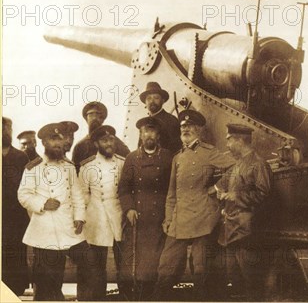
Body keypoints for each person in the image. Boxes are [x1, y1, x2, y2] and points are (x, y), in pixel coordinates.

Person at [152, 110, 235, 300]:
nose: (186, 129)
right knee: (167, 266)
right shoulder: (178, 158)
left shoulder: (209, 152)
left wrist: (216, 187)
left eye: (190, 126)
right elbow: (172, 193)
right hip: (179, 218)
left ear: (199, 130)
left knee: (201, 268)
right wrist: (168, 218)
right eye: (183, 127)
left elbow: (234, 168)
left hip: (204, 217)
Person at [18, 123, 102, 301]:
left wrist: (80, 217)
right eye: (53, 139)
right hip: (45, 231)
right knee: (48, 280)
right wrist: (42, 203)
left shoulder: (69, 167)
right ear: (44, 143)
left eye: (60, 139)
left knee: (90, 265)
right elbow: (23, 195)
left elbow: (78, 195)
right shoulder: (33, 168)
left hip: (69, 228)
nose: (58, 143)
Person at [214, 124, 274, 300]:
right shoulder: (239, 164)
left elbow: (265, 194)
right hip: (232, 231)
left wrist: (235, 196)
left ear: (240, 140)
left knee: (252, 282)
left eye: (229, 140)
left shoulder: (258, 164)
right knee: (236, 279)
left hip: (247, 233)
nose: (227, 145)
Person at [118, 117, 174, 301]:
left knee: (158, 261)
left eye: (153, 131)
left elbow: (173, 188)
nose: (149, 135)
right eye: (145, 131)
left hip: (160, 218)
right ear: (141, 135)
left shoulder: (168, 157)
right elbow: (124, 189)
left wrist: (169, 215)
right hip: (139, 218)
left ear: (158, 135)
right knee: (138, 263)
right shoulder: (132, 158)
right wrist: (129, 209)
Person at [78, 125, 126, 299]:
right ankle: (98, 298)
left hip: (119, 216)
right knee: (97, 265)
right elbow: (82, 195)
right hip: (97, 219)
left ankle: (126, 297)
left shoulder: (122, 163)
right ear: (97, 143)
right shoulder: (87, 166)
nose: (109, 143)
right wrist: (82, 220)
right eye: (104, 140)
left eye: (111, 139)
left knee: (124, 262)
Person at [2, 117, 31, 296]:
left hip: (17, 216)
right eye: (3, 128)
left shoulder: (21, 156)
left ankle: (17, 291)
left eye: (9, 128)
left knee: (17, 253)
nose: (6, 132)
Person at [72, 101, 130, 171]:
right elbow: (75, 172)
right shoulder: (80, 146)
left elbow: (128, 164)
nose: (94, 118)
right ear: (86, 119)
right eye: (90, 115)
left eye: (97, 115)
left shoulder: (116, 143)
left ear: (102, 119)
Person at [139, 81, 182, 154]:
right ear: (145, 102)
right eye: (149, 98)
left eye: (156, 98)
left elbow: (177, 150)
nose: (152, 101)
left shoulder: (171, 120)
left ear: (163, 100)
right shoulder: (144, 123)